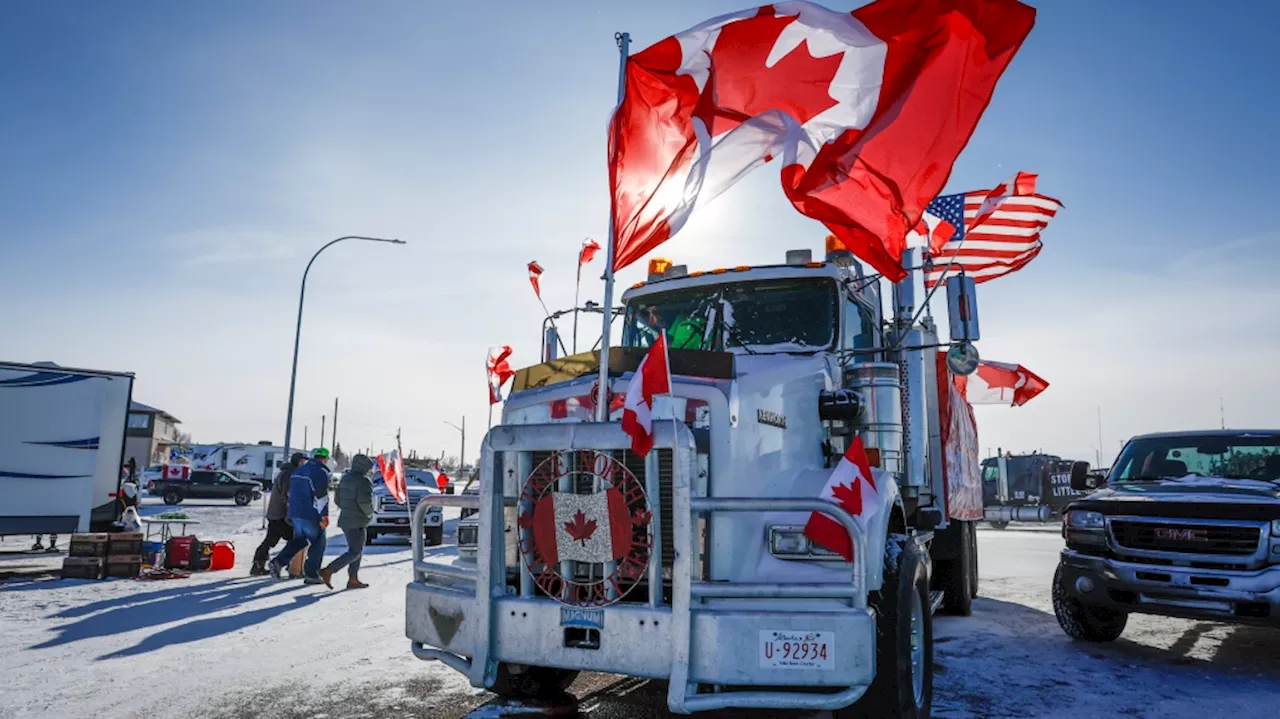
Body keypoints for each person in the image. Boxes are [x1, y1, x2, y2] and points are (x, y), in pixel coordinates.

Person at [267, 448, 332, 584]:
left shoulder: (298, 471)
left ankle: (278, 562)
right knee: (319, 541)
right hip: (310, 513)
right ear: (325, 459)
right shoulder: (321, 472)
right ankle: (312, 574)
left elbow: (291, 492)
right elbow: (321, 496)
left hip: (295, 513)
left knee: (300, 540)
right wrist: (324, 515)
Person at [320, 454, 375, 589]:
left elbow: (337, 499)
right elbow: (365, 502)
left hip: (346, 518)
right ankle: (329, 571)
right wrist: (369, 514)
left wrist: (347, 508)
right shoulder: (363, 481)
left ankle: (353, 579)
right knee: (355, 552)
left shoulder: (345, 478)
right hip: (358, 520)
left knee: (356, 550)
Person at [251, 452, 306, 576]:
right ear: (297, 462)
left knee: (271, 540)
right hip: (282, 515)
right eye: (303, 461)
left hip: (275, 513)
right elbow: (288, 495)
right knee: (297, 540)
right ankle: (288, 565)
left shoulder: (285, 473)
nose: (304, 464)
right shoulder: (290, 475)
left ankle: (258, 564)